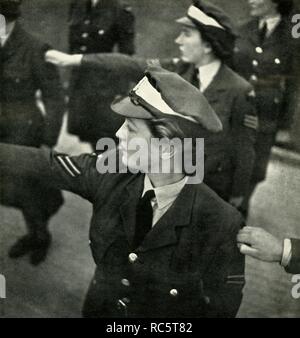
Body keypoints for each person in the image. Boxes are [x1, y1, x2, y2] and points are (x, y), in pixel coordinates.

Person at [0, 66, 246, 318]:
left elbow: (220, 308)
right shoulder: (112, 171)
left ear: (168, 147)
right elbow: (48, 164)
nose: (118, 134)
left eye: (131, 128)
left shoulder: (221, 224)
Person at [46, 0, 258, 210]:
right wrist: (76, 60)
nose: (178, 40)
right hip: (170, 181)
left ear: (208, 45)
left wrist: (238, 193)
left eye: (186, 34)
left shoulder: (239, 91)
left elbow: (245, 150)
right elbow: (128, 63)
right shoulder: (177, 70)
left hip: (209, 186)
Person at [0, 0, 65, 265]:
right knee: (8, 190)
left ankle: (40, 236)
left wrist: (49, 141)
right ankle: (34, 232)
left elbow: (55, 97)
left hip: (25, 133)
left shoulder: (35, 48)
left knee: (30, 192)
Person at [233, 0, 298, 218]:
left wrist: (285, 125)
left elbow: (293, 85)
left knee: (255, 169)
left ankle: (240, 212)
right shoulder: (243, 29)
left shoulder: (292, 37)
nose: (250, 0)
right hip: (237, 110)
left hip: (267, 116)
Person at [68, 0, 135, 148]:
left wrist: (120, 91)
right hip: (81, 85)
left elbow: (126, 57)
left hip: (105, 88)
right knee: (90, 136)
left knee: (106, 139)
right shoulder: (78, 5)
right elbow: (73, 47)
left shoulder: (120, 10)